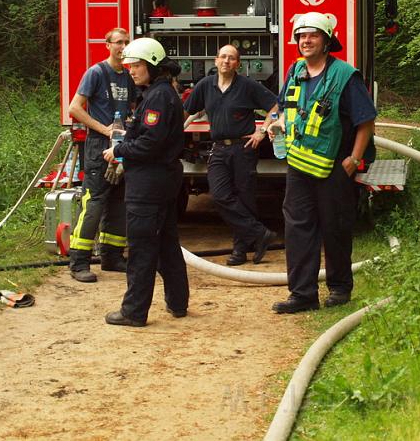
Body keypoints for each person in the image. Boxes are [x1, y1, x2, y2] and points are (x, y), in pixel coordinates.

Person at [269, 12, 377, 314]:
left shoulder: (346, 76)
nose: (306, 40)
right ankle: (302, 294)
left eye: (313, 35)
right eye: (301, 36)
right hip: (299, 166)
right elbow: (283, 107)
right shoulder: (296, 71)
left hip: (334, 168)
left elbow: (365, 122)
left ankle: (340, 288)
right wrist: (274, 123)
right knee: (298, 229)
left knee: (336, 228)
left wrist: (354, 160)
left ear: (327, 41)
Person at [103, 37, 189, 327]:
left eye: (137, 65)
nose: (131, 70)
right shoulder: (159, 93)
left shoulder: (157, 98)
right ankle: (178, 303)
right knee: (167, 244)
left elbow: (150, 144)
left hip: (149, 184)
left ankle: (133, 312)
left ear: (153, 65)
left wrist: (118, 150)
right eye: (129, 65)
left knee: (141, 249)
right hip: (161, 180)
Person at [184, 45, 279, 266]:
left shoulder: (248, 86)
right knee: (219, 195)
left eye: (232, 58)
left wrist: (262, 130)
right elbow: (187, 110)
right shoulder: (205, 86)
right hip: (218, 148)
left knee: (244, 198)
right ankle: (260, 233)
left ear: (238, 64)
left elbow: (276, 105)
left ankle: (240, 250)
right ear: (215, 61)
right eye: (223, 57)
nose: (226, 61)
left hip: (243, 148)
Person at [67, 27, 136, 283]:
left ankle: (112, 256)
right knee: (93, 202)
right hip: (98, 145)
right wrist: (104, 128)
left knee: (119, 201)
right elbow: (74, 108)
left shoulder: (128, 78)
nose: (122, 47)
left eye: (126, 43)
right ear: (107, 45)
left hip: (120, 147)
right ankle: (79, 262)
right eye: (118, 42)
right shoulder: (96, 73)